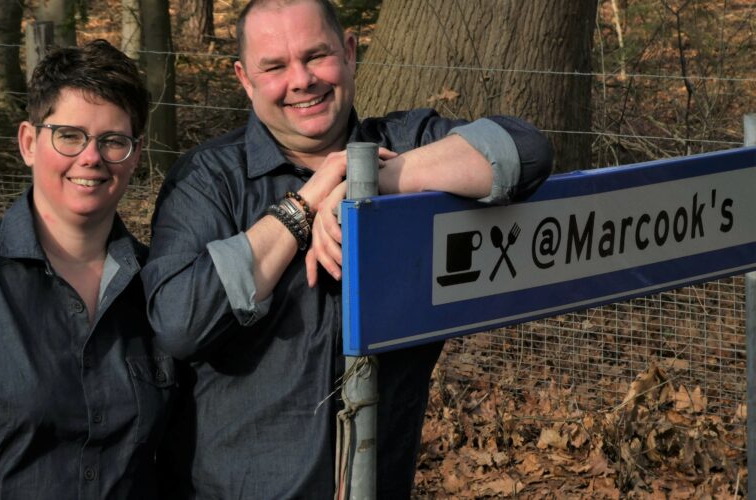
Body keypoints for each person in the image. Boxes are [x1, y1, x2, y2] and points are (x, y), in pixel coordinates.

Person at [144, 0, 553, 497]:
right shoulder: (206, 181)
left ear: (350, 52)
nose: (301, 80)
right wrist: (303, 207)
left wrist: (369, 181)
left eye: (316, 56)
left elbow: (526, 149)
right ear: (244, 79)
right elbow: (180, 324)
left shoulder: (404, 142)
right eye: (274, 66)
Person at [0, 40, 176, 499]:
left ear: (135, 155)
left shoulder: (159, 288)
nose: (91, 157)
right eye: (70, 135)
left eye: (113, 141)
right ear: (29, 142)